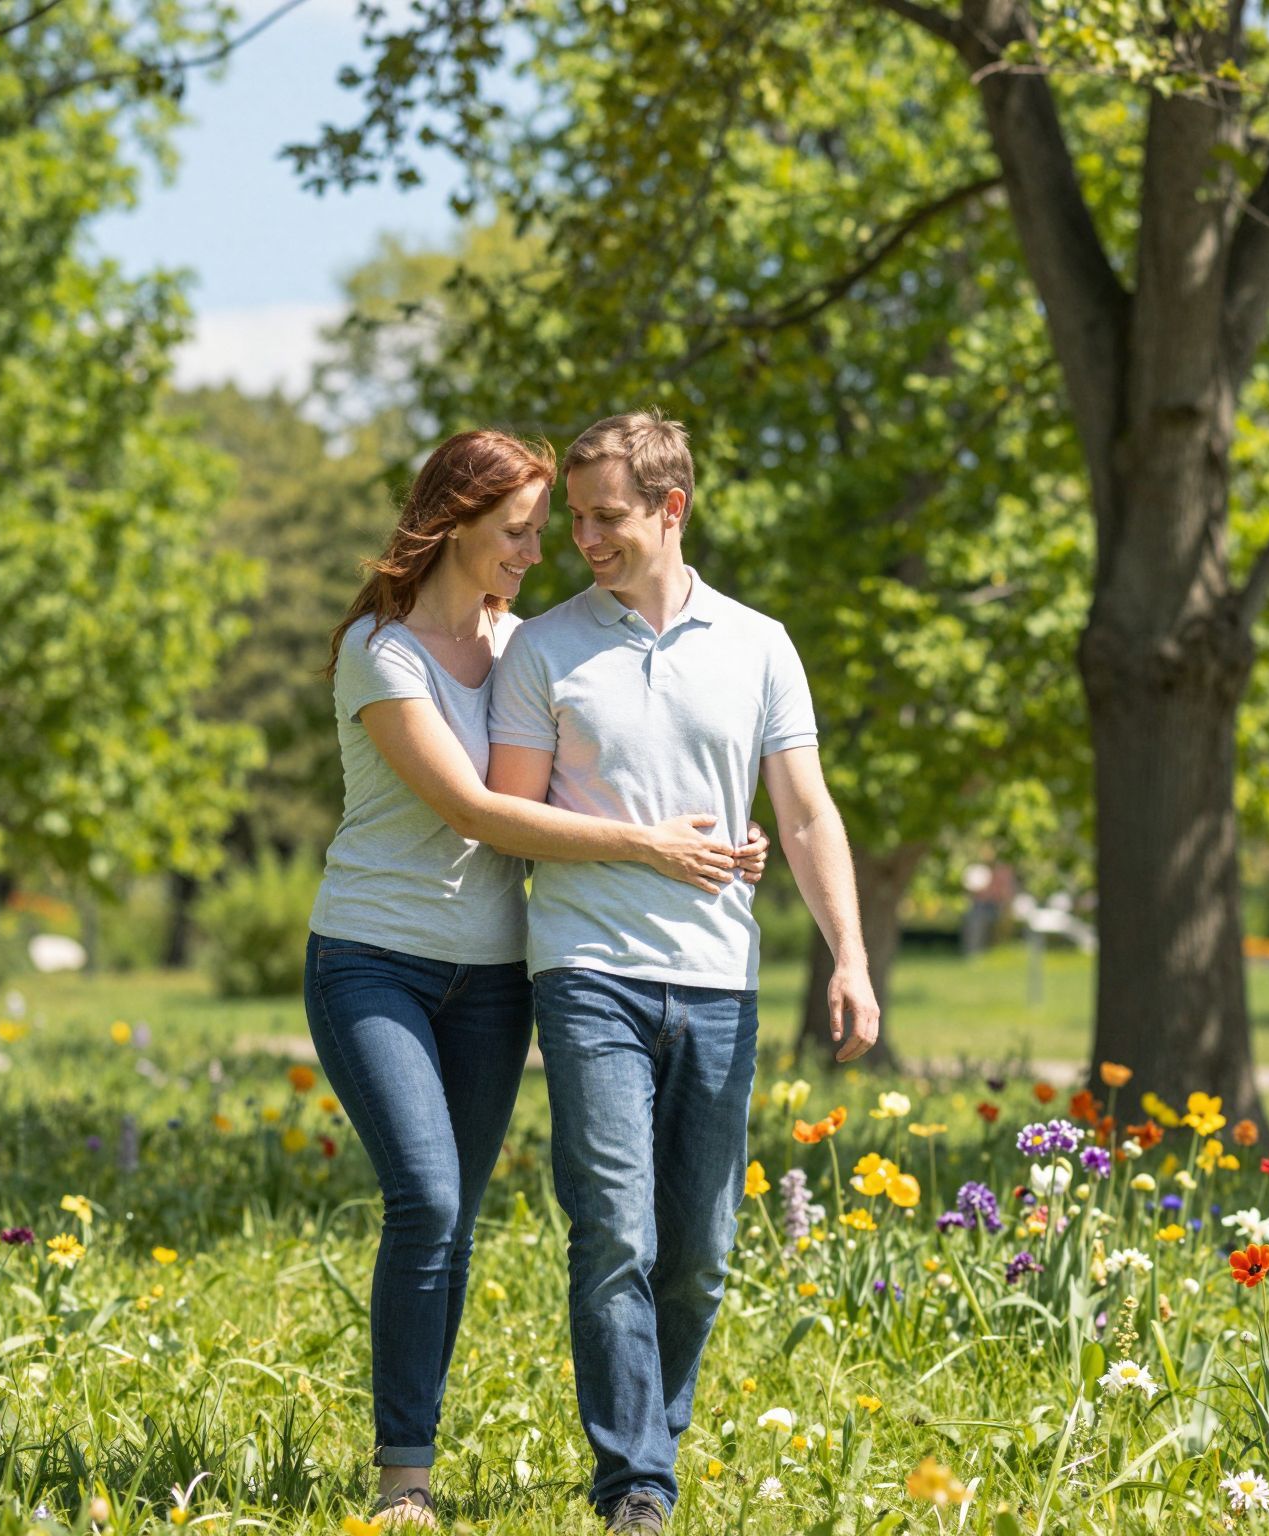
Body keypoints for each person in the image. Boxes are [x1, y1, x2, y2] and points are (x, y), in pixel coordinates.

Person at [303, 429, 769, 1528]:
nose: (535, 550)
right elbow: (471, 809)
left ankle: (602, 1456)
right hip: (374, 960)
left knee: (457, 1217)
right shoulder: (383, 651)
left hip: (496, 974)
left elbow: (592, 753)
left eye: (540, 530)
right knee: (424, 1198)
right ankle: (403, 1478)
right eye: (516, 532)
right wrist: (652, 846)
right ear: (454, 522)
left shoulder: (526, 645)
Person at [487, 410, 880, 1534]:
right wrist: (651, 844)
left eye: (604, 515)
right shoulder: (543, 649)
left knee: (700, 1253)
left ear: (670, 508)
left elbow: (803, 812)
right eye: (572, 516)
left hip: (718, 980)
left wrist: (847, 955)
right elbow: (513, 822)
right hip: (589, 970)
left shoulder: (758, 643)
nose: (582, 538)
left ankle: (654, 1440)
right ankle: (636, 1485)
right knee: (615, 1224)